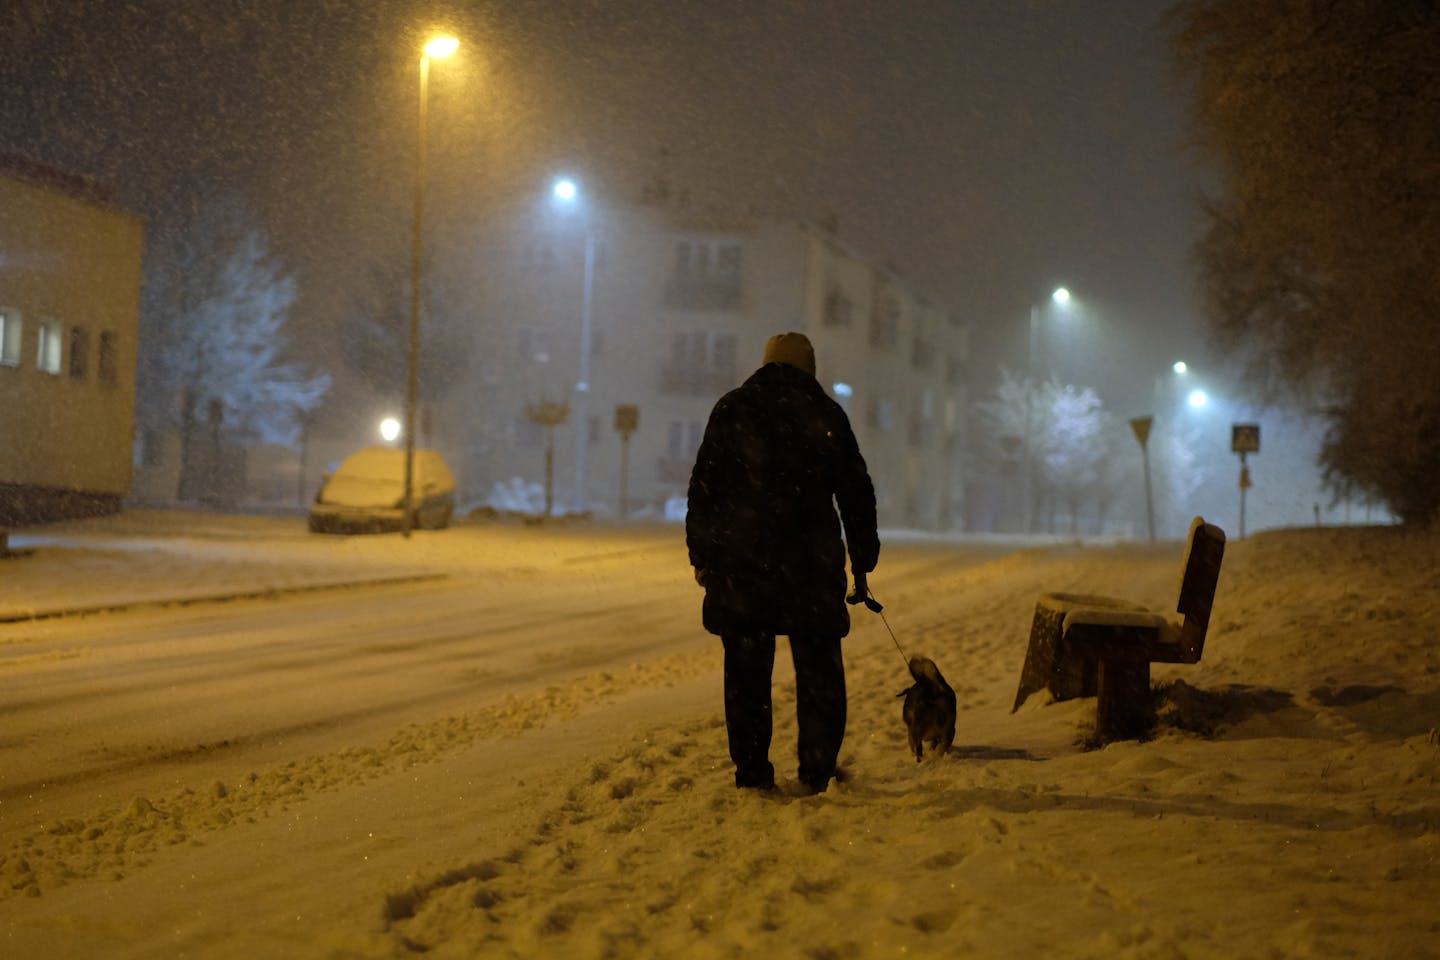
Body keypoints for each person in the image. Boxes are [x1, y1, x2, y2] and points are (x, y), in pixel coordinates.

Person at [686, 332, 880, 794]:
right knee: (818, 674)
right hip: (809, 566)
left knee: (747, 675)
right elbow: (855, 492)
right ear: (808, 367)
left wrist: (704, 555)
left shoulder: (732, 409)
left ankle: (752, 773)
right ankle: (816, 772)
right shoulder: (825, 414)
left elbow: (704, 489)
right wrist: (862, 557)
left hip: (742, 565)